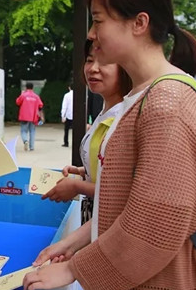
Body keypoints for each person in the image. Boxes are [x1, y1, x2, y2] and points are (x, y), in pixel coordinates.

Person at [24, 0, 196, 290]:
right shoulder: (144, 97)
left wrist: (74, 268)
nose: (91, 34)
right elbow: (125, 203)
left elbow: (155, 223)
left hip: (161, 287)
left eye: (99, 20)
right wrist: (73, 244)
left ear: (139, 23)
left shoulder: (166, 104)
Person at [42, 39, 132, 225]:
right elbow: (109, 169)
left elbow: (123, 190)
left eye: (105, 61)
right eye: (90, 60)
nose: (92, 68)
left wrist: (77, 186)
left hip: (112, 224)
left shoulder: (126, 119)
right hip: (93, 217)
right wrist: (82, 171)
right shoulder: (105, 111)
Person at [16, 82, 44, 151]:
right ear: (32, 88)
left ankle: (25, 141)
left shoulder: (24, 95)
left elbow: (17, 102)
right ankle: (32, 147)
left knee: (23, 131)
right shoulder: (36, 96)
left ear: (26, 87)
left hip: (24, 116)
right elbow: (40, 105)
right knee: (32, 131)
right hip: (33, 117)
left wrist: (21, 95)